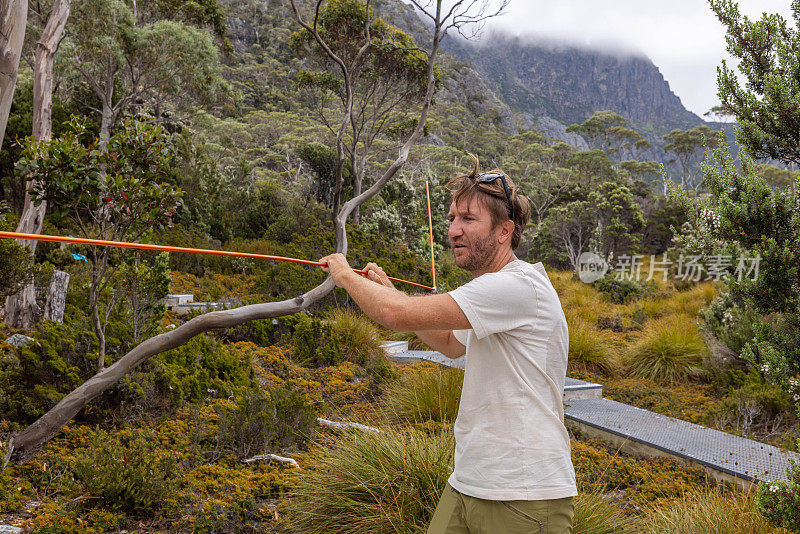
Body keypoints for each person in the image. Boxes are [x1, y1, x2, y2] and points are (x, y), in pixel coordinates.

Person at [320, 155, 577, 534]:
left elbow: (395, 317)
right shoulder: (490, 292)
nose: (454, 229)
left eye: (468, 219)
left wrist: (344, 275)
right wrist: (389, 290)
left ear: (505, 231)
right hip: (469, 481)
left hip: (524, 494)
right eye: (452, 218)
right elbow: (449, 343)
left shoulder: (517, 286)